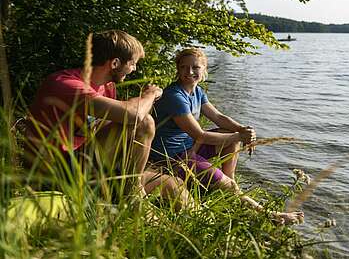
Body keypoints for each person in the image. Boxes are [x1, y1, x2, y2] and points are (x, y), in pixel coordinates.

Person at [25, 30, 191, 209]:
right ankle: (132, 196)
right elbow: (134, 116)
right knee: (144, 122)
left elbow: (115, 131)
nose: (134, 69)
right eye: (133, 63)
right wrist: (149, 95)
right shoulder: (65, 85)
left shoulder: (107, 87)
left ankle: (205, 226)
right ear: (115, 63)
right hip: (55, 175)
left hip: (90, 167)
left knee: (175, 186)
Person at [149, 47, 304, 224]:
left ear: (204, 70)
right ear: (178, 69)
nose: (189, 72)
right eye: (184, 67)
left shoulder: (197, 92)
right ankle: (270, 216)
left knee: (230, 137)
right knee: (232, 140)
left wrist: (242, 129)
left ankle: (229, 185)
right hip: (171, 158)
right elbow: (201, 135)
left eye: (195, 67)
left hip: (190, 148)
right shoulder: (174, 96)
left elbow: (218, 117)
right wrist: (239, 137)